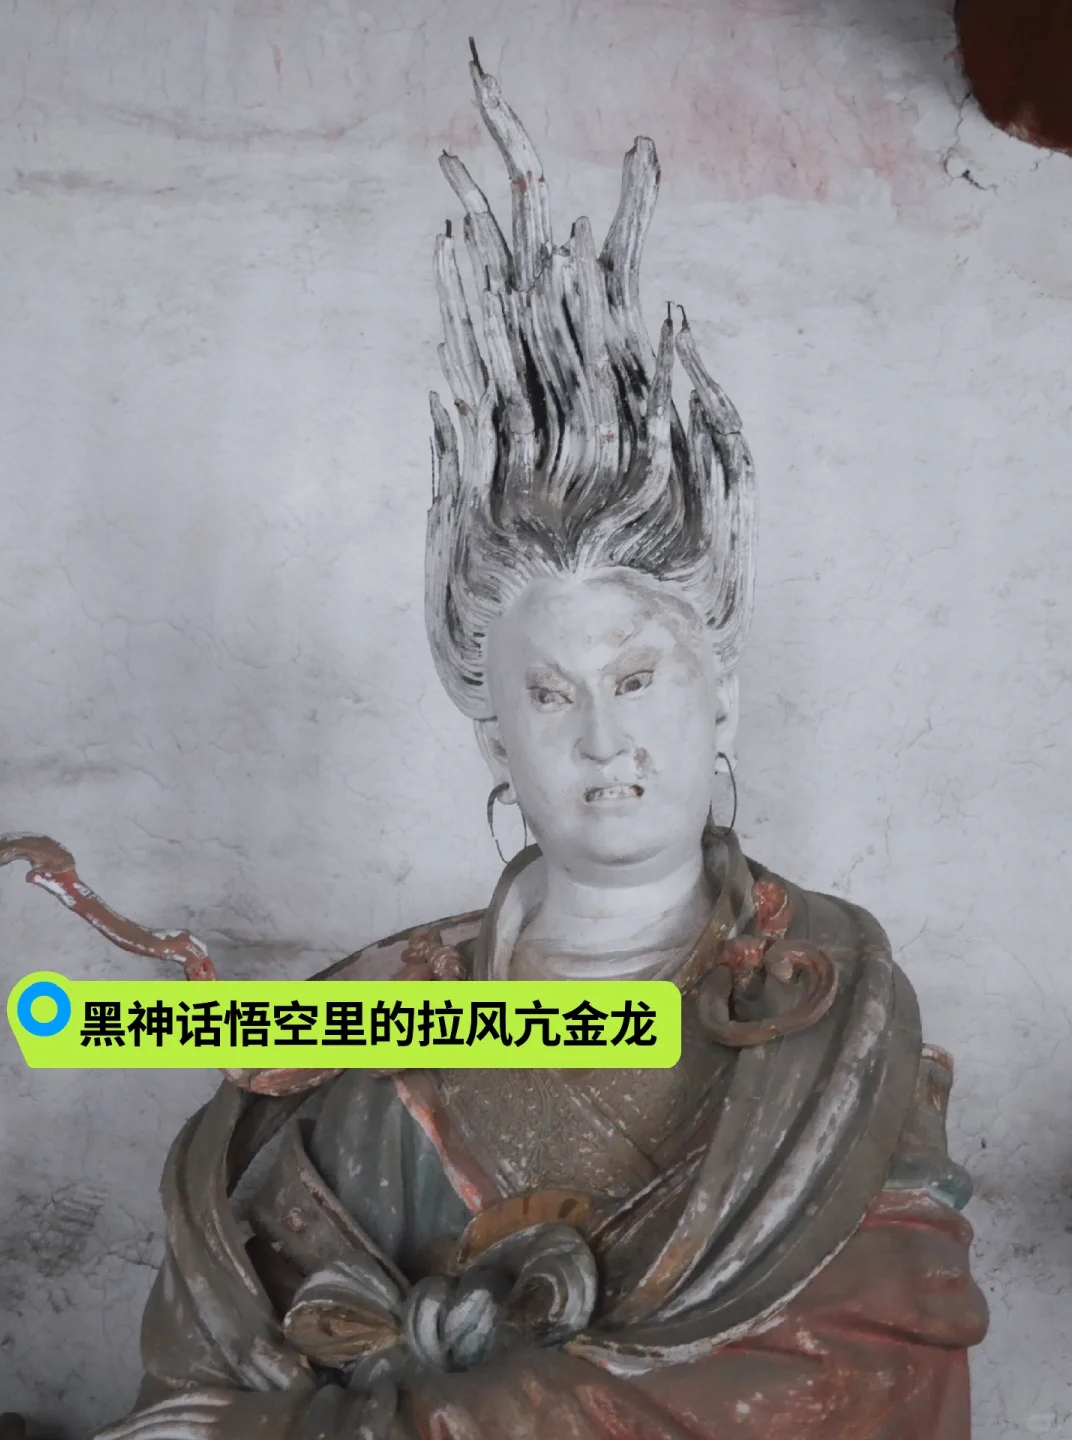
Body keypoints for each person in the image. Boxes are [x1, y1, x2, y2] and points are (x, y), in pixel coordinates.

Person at [91, 46, 988, 1440]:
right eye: (552, 697)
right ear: (492, 735)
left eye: (638, 677)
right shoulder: (365, 1029)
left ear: (720, 696)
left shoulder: (823, 1030)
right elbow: (204, 1366)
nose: (605, 737)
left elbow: (875, 1369)